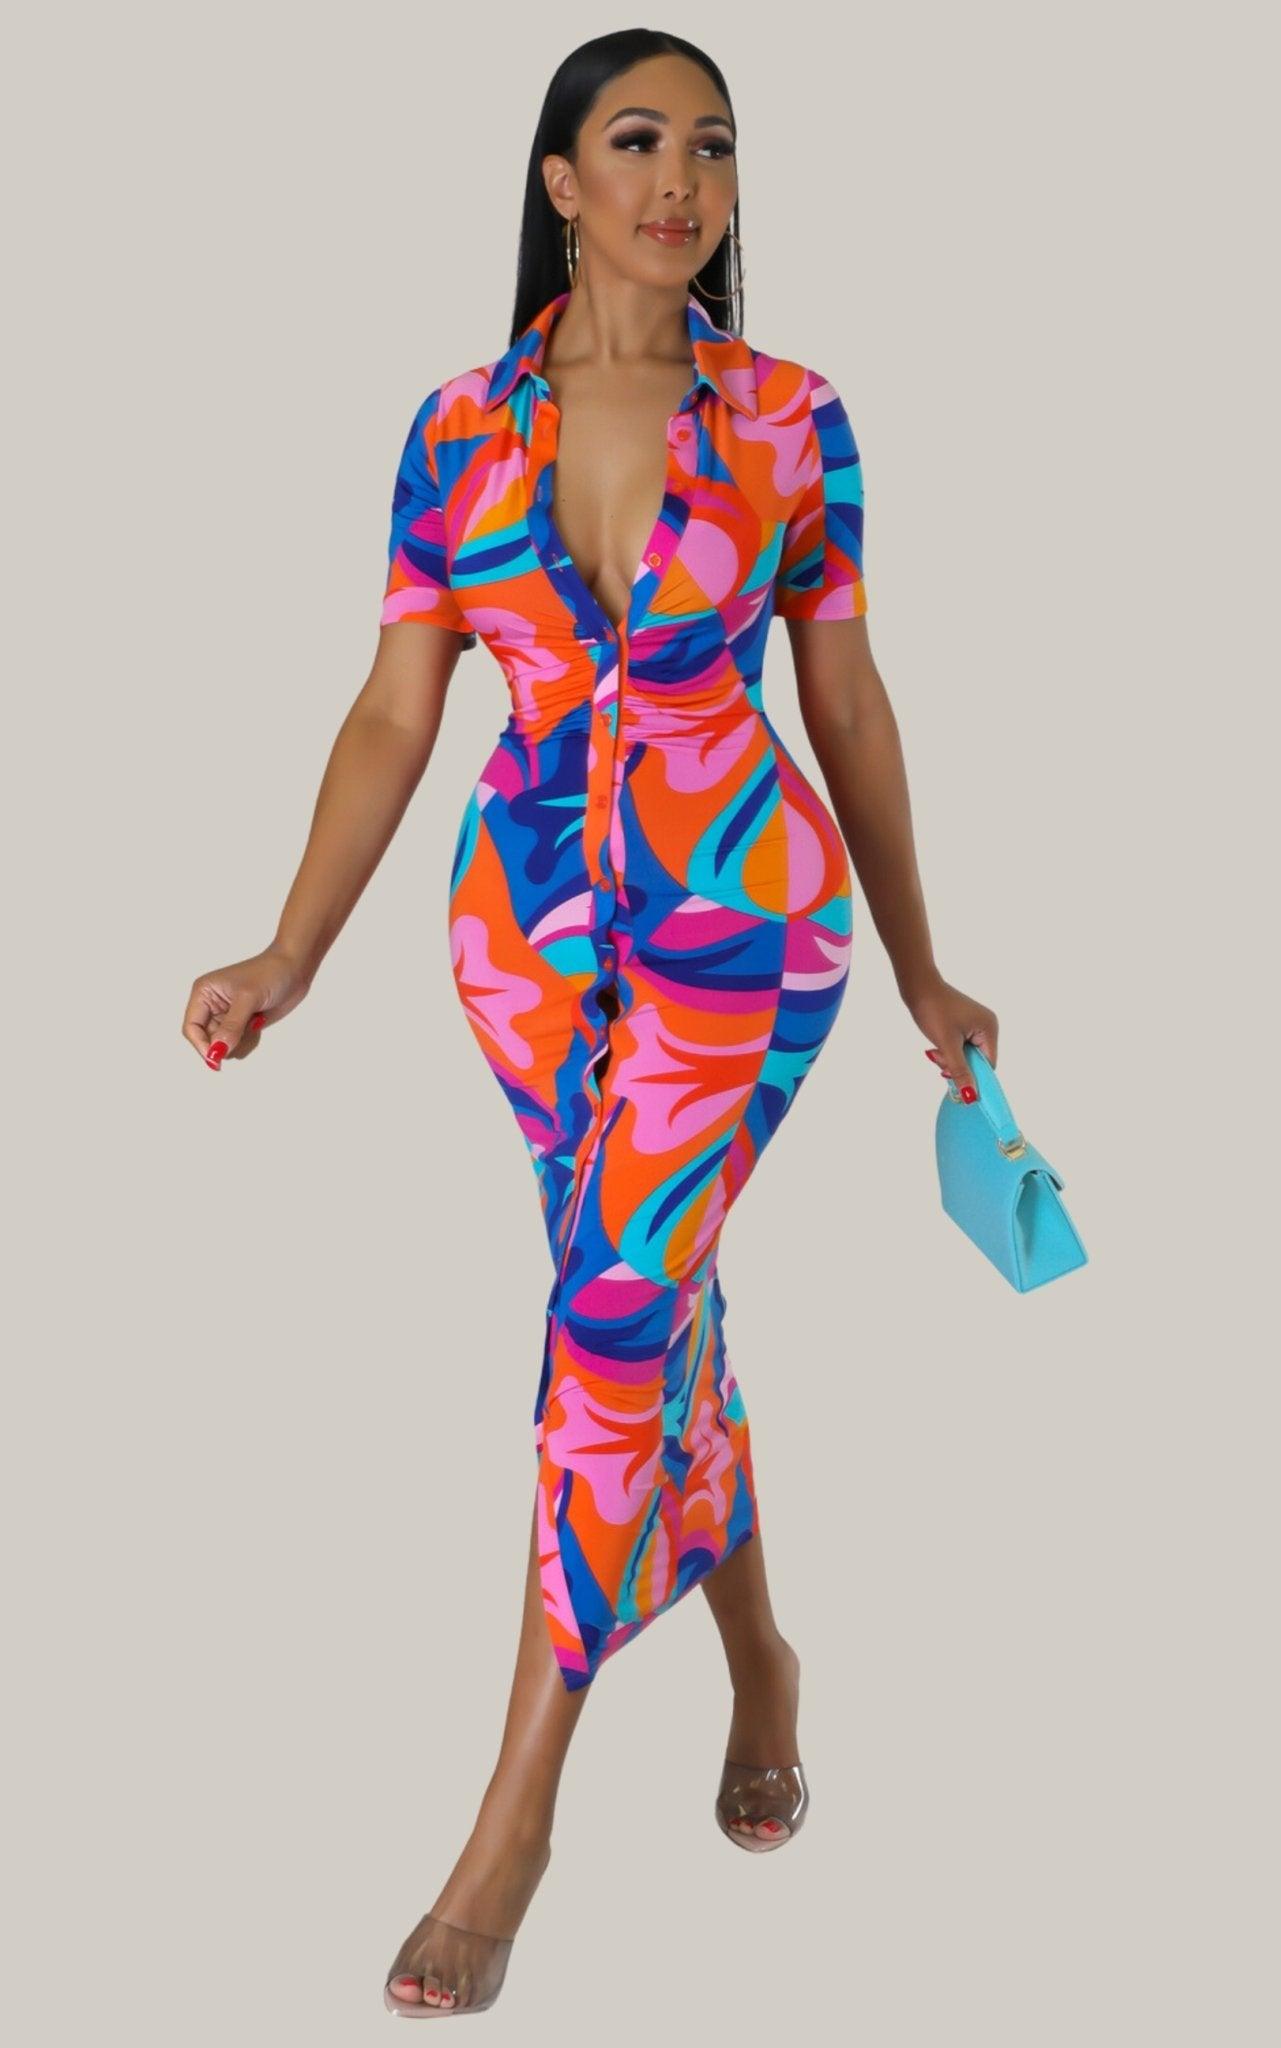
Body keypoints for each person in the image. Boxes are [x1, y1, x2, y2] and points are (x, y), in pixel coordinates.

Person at [182, 29, 998, 2020]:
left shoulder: (792, 417)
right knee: (647, 1309)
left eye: (711, 146)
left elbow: (846, 700)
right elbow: (395, 707)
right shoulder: (456, 428)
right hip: (525, 944)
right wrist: (290, 949)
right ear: (558, 181)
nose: (680, 180)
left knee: (609, 1317)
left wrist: (919, 963)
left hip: (744, 932)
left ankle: (513, 1814)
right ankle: (763, 1661)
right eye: (636, 141)